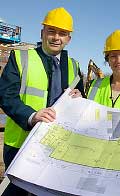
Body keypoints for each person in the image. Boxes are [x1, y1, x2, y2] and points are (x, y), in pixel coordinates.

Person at [0, 7, 85, 195]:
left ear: (68, 38)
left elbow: (81, 100)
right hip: (21, 144)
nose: (56, 37)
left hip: (58, 146)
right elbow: (6, 95)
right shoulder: (21, 58)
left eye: (62, 33)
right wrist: (32, 116)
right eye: (51, 31)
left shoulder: (74, 66)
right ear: (42, 32)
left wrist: (79, 98)